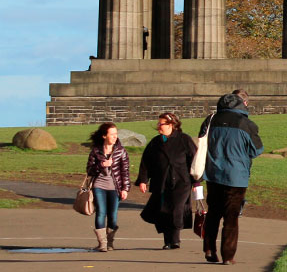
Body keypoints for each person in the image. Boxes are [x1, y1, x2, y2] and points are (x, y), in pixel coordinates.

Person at [200, 91, 264, 265]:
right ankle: (228, 255)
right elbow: (257, 150)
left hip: (213, 173)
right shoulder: (246, 124)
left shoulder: (210, 120)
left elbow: (202, 142)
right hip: (236, 176)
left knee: (213, 212)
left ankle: (209, 248)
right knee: (231, 216)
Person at [137, 112, 198, 250]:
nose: (159, 126)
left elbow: (195, 161)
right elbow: (146, 162)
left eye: (162, 123)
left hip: (182, 181)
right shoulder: (155, 142)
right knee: (164, 210)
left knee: (176, 208)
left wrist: (196, 181)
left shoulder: (184, 139)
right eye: (158, 123)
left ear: (171, 125)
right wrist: (143, 180)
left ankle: (175, 240)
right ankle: (167, 241)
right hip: (162, 181)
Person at [85, 122, 130, 252]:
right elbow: (89, 170)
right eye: (112, 134)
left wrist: (125, 189)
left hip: (115, 187)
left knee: (113, 215)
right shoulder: (95, 151)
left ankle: (110, 242)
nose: (115, 137)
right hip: (99, 185)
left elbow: (125, 172)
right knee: (101, 213)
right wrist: (102, 165)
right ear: (104, 136)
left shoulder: (121, 151)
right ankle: (102, 244)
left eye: (116, 134)